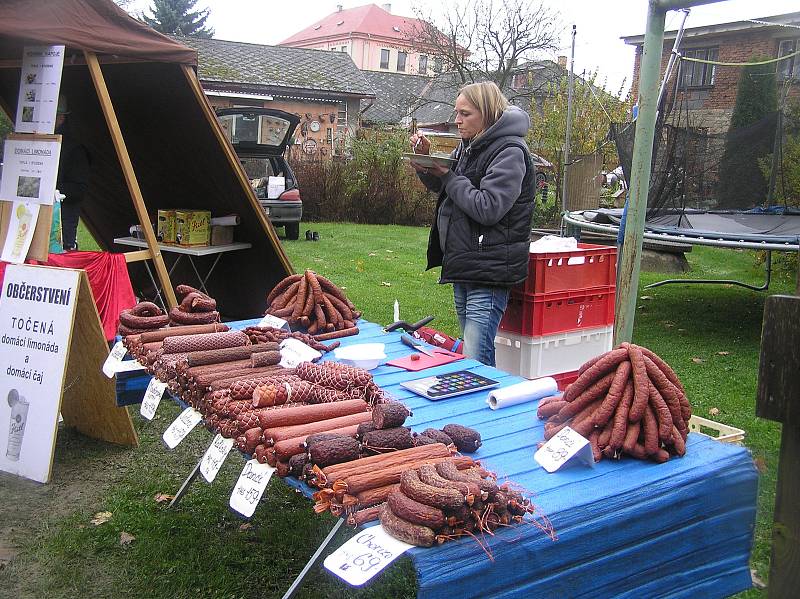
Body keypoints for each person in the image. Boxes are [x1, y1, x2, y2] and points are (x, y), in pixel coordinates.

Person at [410, 81, 535, 366]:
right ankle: (485, 402)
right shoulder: (470, 145)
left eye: (464, 114)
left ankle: (488, 405)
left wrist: (448, 175)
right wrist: (429, 163)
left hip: (489, 270)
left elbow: (488, 207)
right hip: (467, 263)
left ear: (487, 113)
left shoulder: (509, 151)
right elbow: (449, 188)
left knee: (475, 356)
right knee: (473, 355)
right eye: (456, 113)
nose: (456, 120)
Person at [55, 95, 91, 251]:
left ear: (61, 118)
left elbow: (79, 190)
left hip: (61, 230)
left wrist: (51, 190)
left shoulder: (75, 150)